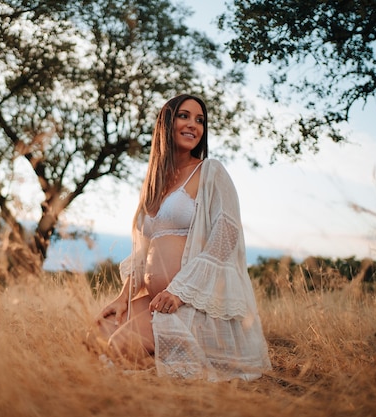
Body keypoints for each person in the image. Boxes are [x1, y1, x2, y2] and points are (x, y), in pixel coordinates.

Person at [90, 94, 271, 381]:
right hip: (153, 298)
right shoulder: (154, 182)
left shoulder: (210, 172)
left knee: (119, 347)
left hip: (188, 299)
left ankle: (168, 368)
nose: (193, 125)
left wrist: (180, 291)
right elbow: (143, 252)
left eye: (200, 120)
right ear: (166, 123)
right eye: (184, 116)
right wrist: (123, 298)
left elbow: (226, 236)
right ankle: (157, 363)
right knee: (97, 332)